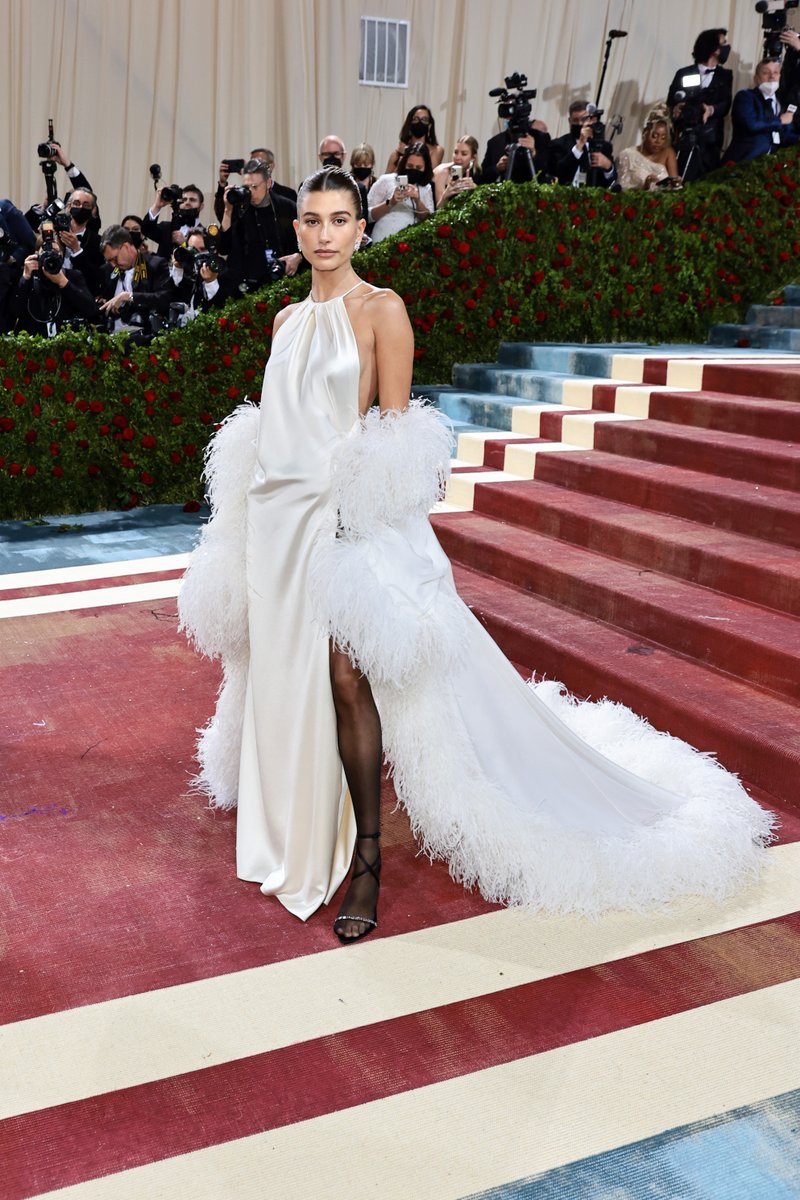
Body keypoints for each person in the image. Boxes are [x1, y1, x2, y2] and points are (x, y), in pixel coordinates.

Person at [179, 166, 773, 945]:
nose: (325, 235)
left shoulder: (382, 310)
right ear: (297, 232)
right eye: (312, 222)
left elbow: (395, 439)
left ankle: (364, 861)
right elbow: (279, 429)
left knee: (346, 672)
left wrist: (356, 525)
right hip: (276, 528)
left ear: (363, 227)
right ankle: (291, 816)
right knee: (287, 676)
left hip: (345, 525)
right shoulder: (286, 322)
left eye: (340, 220)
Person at [218, 157, 301, 290]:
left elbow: (306, 243)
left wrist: (298, 256)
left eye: (255, 186)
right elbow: (223, 248)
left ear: (268, 183)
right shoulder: (239, 208)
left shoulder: (287, 207)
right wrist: (227, 210)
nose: (251, 192)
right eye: (246, 187)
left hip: (283, 283)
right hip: (245, 287)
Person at [667, 28, 733, 181]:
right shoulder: (684, 73)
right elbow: (672, 99)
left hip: (710, 139)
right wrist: (677, 107)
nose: (727, 47)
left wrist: (710, 110)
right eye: (723, 43)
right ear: (713, 49)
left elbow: (726, 103)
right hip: (685, 136)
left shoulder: (725, 75)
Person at [10, 225, 99, 335]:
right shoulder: (28, 276)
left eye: (55, 251)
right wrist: (25, 278)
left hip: (64, 345)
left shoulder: (72, 276)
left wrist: (63, 283)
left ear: (62, 254)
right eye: (45, 252)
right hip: (32, 343)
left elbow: (91, 310)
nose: (50, 255)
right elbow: (14, 312)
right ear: (36, 254)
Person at [97, 224, 171, 331]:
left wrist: (129, 296)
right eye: (109, 261)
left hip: (145, 334)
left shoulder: (155, 265)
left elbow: (164, 298)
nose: (113, 264)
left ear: (126, 247)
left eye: (115, 258)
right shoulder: (107, 270)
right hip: (111, 334)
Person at [725, 58, 800, 163]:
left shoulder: (782, 104)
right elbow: (752, 125)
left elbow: (785, 134)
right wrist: (780, 121)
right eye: (766, 73)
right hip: (742, 162)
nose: (772, 76)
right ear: (756, 78)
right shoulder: (745, 97)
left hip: (768, 167)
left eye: (776, 72)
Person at [367, 143, 434, 243]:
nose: (413, 170)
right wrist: (390, 202)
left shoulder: (426, 187)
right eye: (410, 166)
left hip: (411, 244)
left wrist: (418, 201)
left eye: (418, 168)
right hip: (382, 240)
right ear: (404, 163)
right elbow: (368, 215)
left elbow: (429, 221)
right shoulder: (386, 180)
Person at [549, 101, 616, 188]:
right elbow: (559, 173)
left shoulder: (605, 147)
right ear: (570, 122)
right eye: (576, 121)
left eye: (584, 119)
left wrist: (608, 166)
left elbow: (611, 181)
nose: (581, 124)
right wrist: (579, 145)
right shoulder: (558, 144)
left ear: (593, 120)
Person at [617, 106, 680, 191]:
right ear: (645, 133)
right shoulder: (628, 155)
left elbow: (674, 186)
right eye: (654, 136)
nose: (658, 141)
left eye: (663, 138)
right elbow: (622, 189)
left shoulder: (668, 153)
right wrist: (645, 186)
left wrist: (676, 184)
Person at [142, 184, 205, 259]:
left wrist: (184, 244)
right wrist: (157, 206)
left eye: (192, 200)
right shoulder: (166, 228)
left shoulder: (205, 235)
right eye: (184, 200)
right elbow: (146, 229)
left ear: (201, 206)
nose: (187, 203)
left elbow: (203, 260)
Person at [481, 118, 550, 184]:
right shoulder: (494, 142)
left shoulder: (539, 138)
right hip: (502, 192)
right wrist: (497, 168)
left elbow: (547, 170)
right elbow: (484, 175)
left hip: (531, 192)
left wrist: (533, 152)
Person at [385, 105, 445, 173]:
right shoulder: (396, 155)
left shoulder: (436, 150)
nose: (420, 122)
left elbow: (429, 176)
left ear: (429, 125)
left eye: (424, 119)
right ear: (410, 123)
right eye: (416, 119)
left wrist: (406, 154)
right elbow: (385, 181)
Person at [432, 135, 481, 207]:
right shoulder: (442, 171)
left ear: (473, 157)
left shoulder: (478, 174)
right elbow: (439, 210)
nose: (458, 157)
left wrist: (476, 189)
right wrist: (445, 196)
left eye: (464, 154)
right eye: (456, 152)